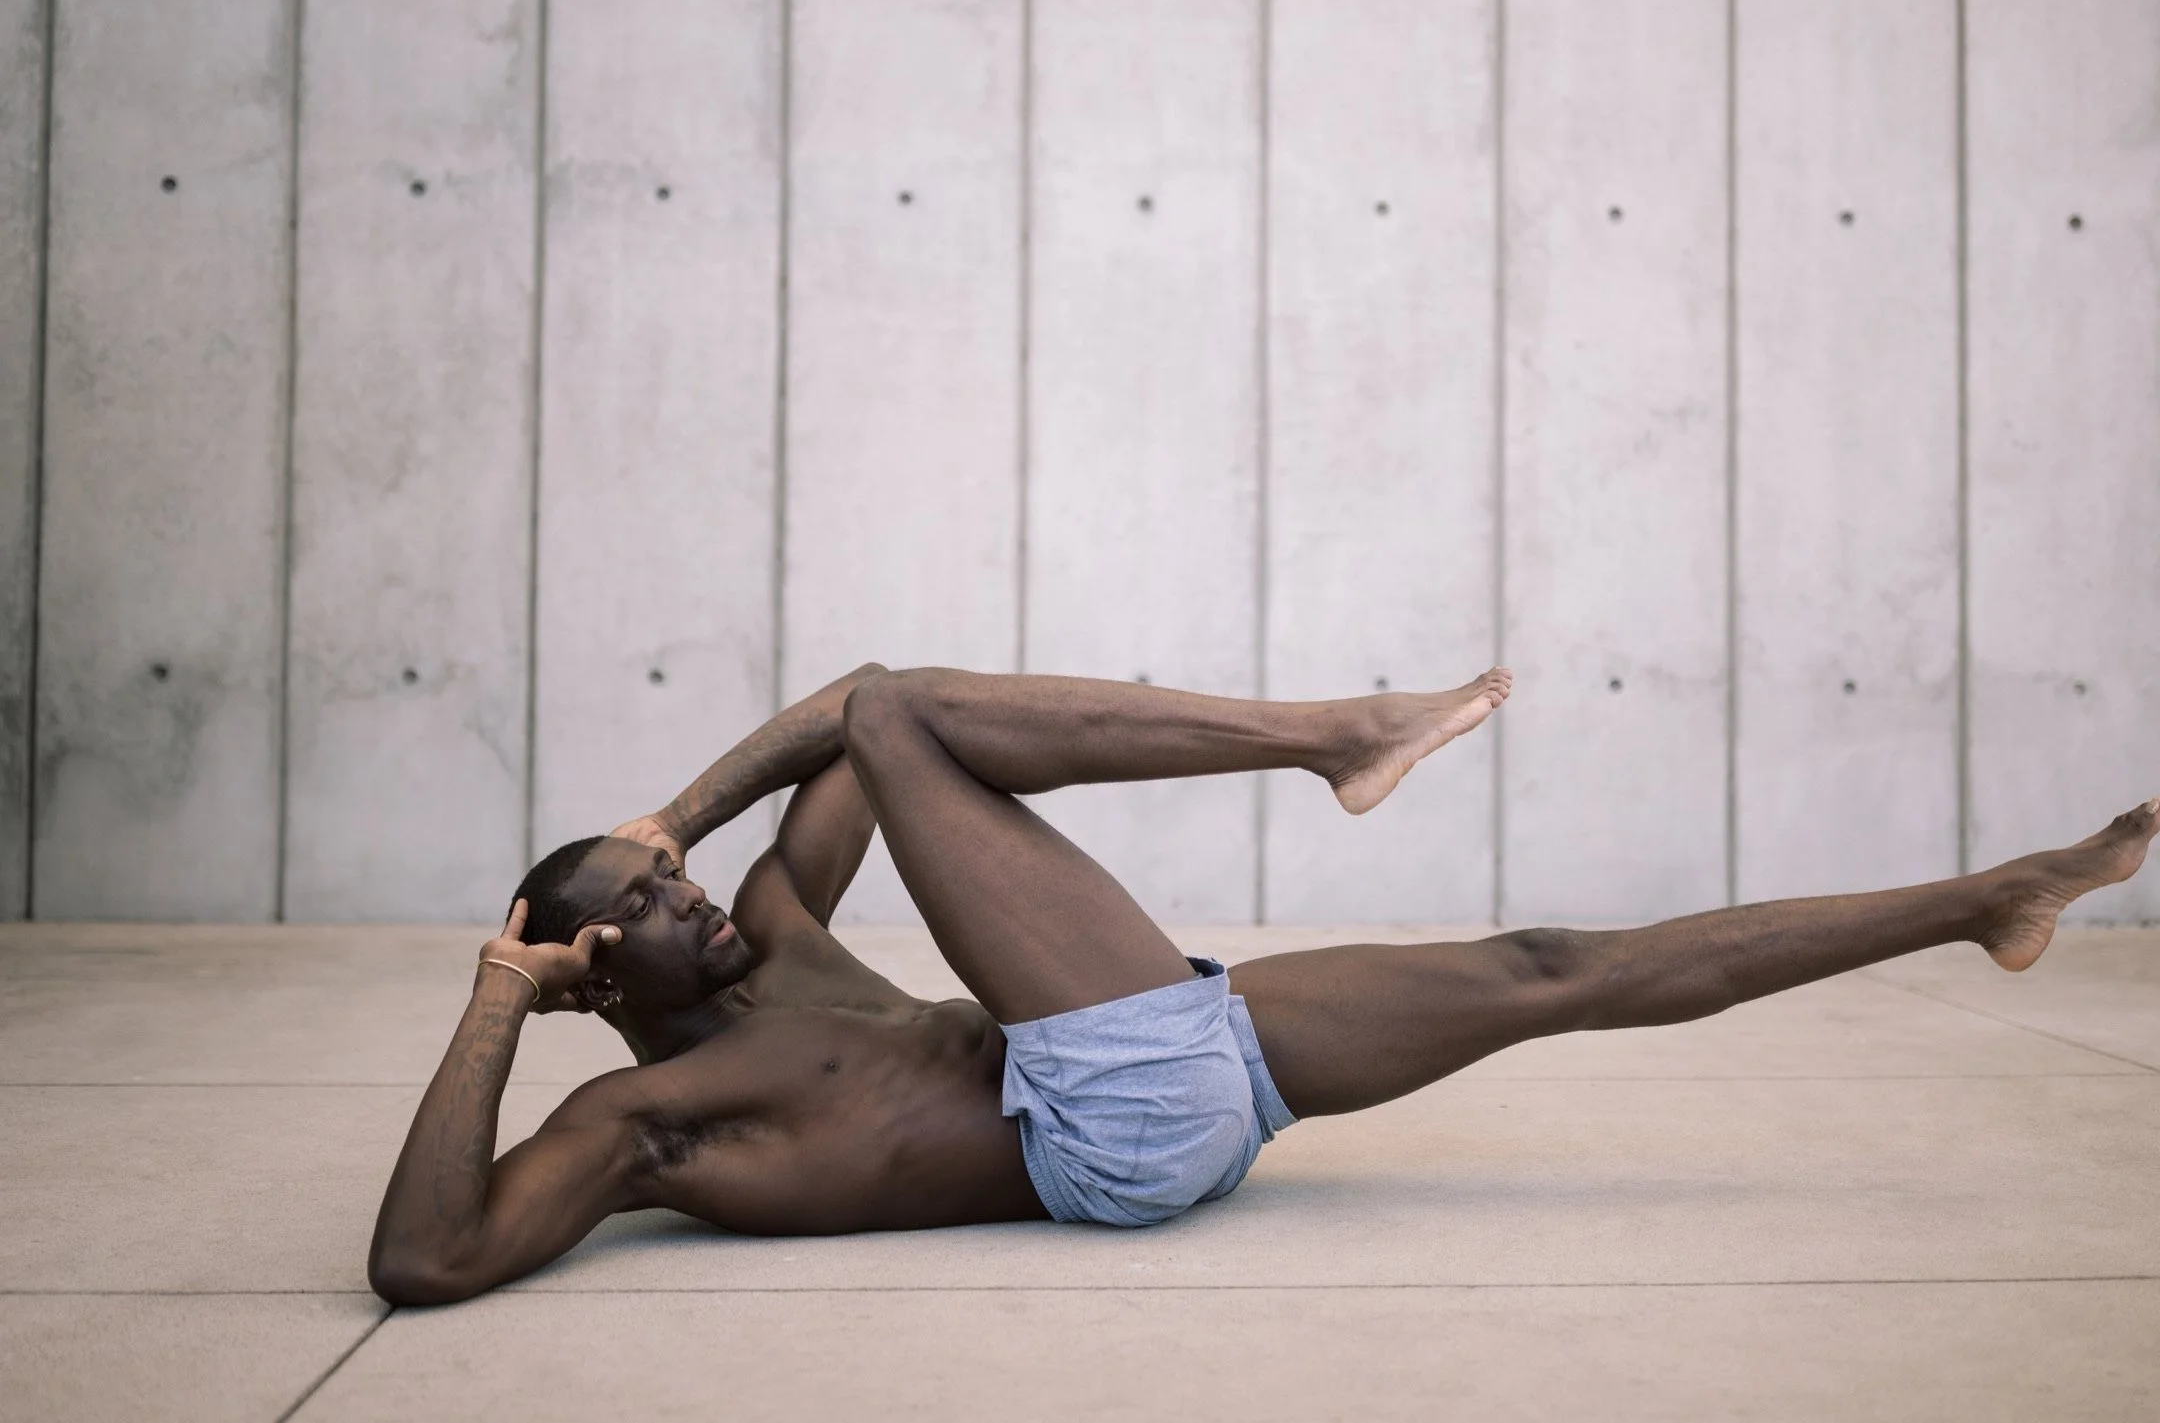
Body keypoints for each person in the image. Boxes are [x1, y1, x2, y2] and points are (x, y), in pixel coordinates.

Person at [367, 664, 2155, 1305]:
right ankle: (1334, 737)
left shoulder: (783, 927)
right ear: (603, 972)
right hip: (1108, 1114)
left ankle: (1989, 900)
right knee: (913, 706)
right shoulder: (639, 1112)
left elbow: (838, 731)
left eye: (682, 870)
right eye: (657, 901)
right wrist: (500, 995)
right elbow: (428, 1259)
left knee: (1550, 967)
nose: (699, 894)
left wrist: (672, 815)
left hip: (1190, 1080)